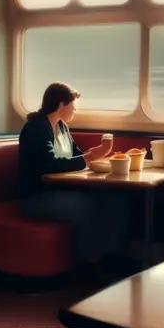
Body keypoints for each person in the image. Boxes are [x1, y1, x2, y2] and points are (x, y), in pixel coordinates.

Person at [18, 82, 129, 282]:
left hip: (60, 190)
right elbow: (48, 164)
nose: (75, 110)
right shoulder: (36, 128)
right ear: (61, 105)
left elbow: (77, 157)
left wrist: (96, 155)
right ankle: (90, 265)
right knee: (84, 206)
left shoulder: (62, 128)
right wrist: (88, 158)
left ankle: (107, 256)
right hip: (36, 195)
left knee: (114, 200)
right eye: (73, 105)